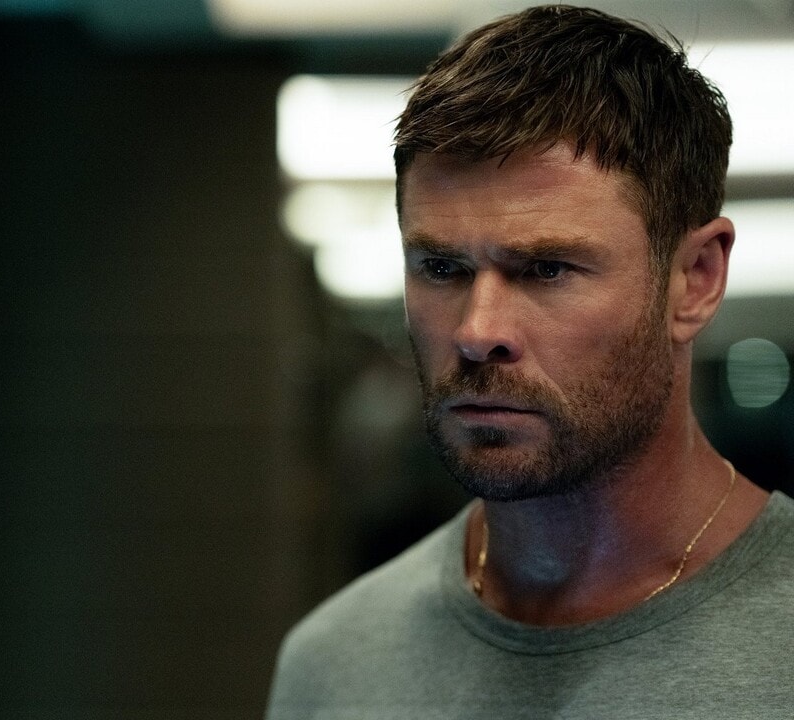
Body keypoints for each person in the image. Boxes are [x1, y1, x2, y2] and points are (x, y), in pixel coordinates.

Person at [266, 5, 794, 718]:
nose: (477, 332)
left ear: (694, 280)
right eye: (442, 268)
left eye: (547, 269)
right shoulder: (336, 664)